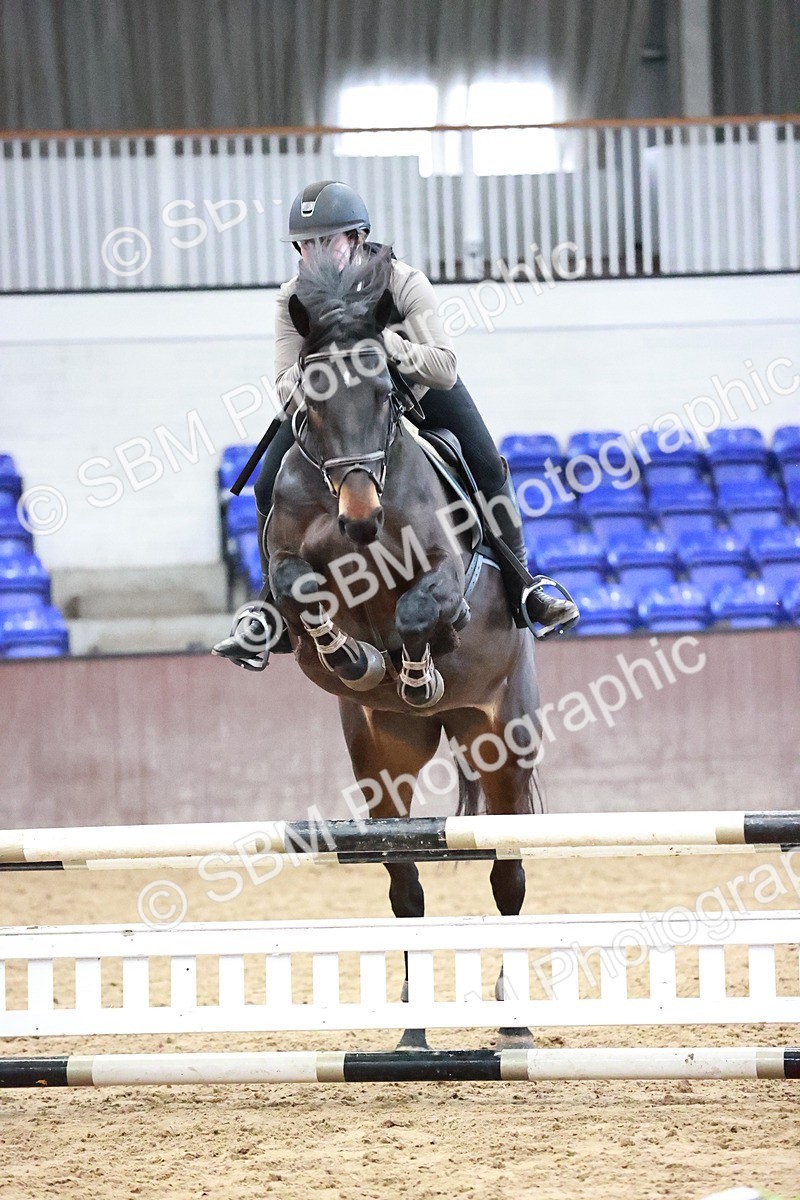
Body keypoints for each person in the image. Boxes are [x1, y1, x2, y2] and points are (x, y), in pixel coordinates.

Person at [213, 180, 579, 669]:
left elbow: (444, 366)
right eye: (304, 245)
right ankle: (270, 612)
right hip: (336, 407)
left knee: (487, 465)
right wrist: (322, 365)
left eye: (325, 241)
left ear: (357, 238)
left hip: (414, 392)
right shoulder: (292, 298)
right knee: (265, 485)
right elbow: (284, 386)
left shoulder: (404, 282)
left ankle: (525, 589)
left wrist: (386, 347)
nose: (312, 253)